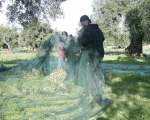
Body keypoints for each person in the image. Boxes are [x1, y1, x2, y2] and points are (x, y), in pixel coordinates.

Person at [77, 15, 107, 105]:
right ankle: (94, 94)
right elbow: (102, 38)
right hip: (95, 55)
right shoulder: (95, 29)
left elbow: (83, 42)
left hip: (94, 55)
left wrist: (83, 40)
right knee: (93, 74)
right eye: (81, 22)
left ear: (87, 21)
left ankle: (98, 97)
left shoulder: (89, 30)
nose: (82, 23)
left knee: (95, 75)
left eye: (83, 21)